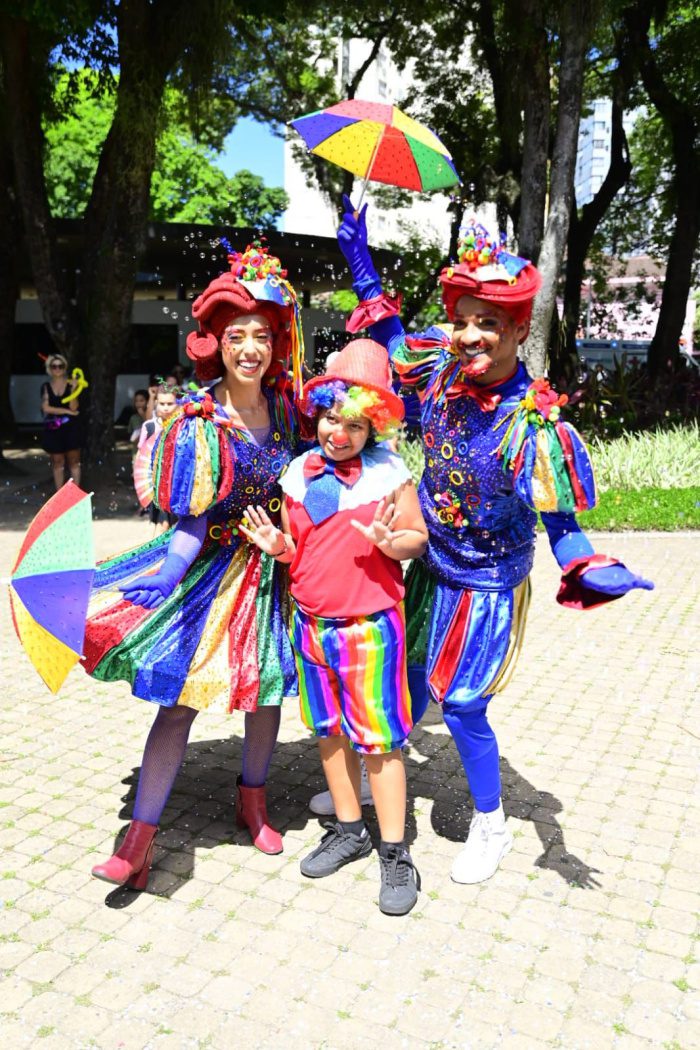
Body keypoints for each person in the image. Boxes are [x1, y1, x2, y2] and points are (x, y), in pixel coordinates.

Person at [336, 200, 654, 885]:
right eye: (463, 321)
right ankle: (381, 780)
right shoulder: (442, 376)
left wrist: (590, 568)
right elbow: (391, 342)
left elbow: (562, 525)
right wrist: (361, 262)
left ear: (517, 330)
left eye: (488, 324)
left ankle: (493, 824)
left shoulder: (533, 424)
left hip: (487, 579)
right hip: (428, 559)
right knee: (407, 676)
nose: (470, 335)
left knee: (462, 704)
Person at [82, 241, 305, 889]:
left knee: (266, 696)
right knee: (179, 703)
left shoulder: (292, 409)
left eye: (261, 335)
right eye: (236, 335)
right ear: (215, 340)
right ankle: (139, 840)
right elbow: (188, 521)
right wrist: (165, 574)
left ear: (276, 342)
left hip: (274, 576)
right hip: (207, 574)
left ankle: (252, 801)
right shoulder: (199, 419)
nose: (249, 349)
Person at [241, 339, 428, 914]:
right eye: (329, 417)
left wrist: (391, 543)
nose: (337, 432)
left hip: (370, 629)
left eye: (352, 422)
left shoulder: (390, 477)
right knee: (329, 735)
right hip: (311, 625)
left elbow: (417, 539)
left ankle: (395, 853)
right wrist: (280, 548)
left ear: (372, 425)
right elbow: (303, 549)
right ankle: (349, 830)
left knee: (382, 745)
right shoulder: (298, 473)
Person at [136, 385, 180, 533]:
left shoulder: (185, 425)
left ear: (177, 403)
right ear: (156, 404)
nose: (166, 408)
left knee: (177, 526)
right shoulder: (149, 427)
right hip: (156, 483)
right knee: (162, 524)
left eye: (170, 403)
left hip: (179, 483)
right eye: (162, 404)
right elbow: (141, 455)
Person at [40, 354, 83, 490]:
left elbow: (74, 407)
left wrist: (75, 390)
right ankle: (59, 494)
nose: (57, 369)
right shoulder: (46, 386)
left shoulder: (71, 384)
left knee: (74, 461)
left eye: (60, 366)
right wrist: (66, 412)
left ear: (65, 368)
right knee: (58, 462)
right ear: (50, 369)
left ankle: (76, 493)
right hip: (53, 428)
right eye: (54, 366)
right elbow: (46, 408)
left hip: (70, 428)